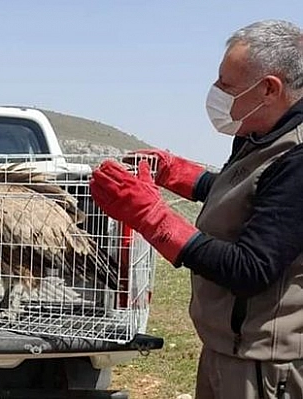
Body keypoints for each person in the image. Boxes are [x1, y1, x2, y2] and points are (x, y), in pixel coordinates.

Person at [89, 19, 303, 398]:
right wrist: (177, 173)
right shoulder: (260, 133)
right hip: (228, 347)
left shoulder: (297, 158)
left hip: (265, 365)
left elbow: (250, 268)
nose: (217, 93)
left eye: (227, 85)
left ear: (269, 88)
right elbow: (245, 195)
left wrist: (151, 218)